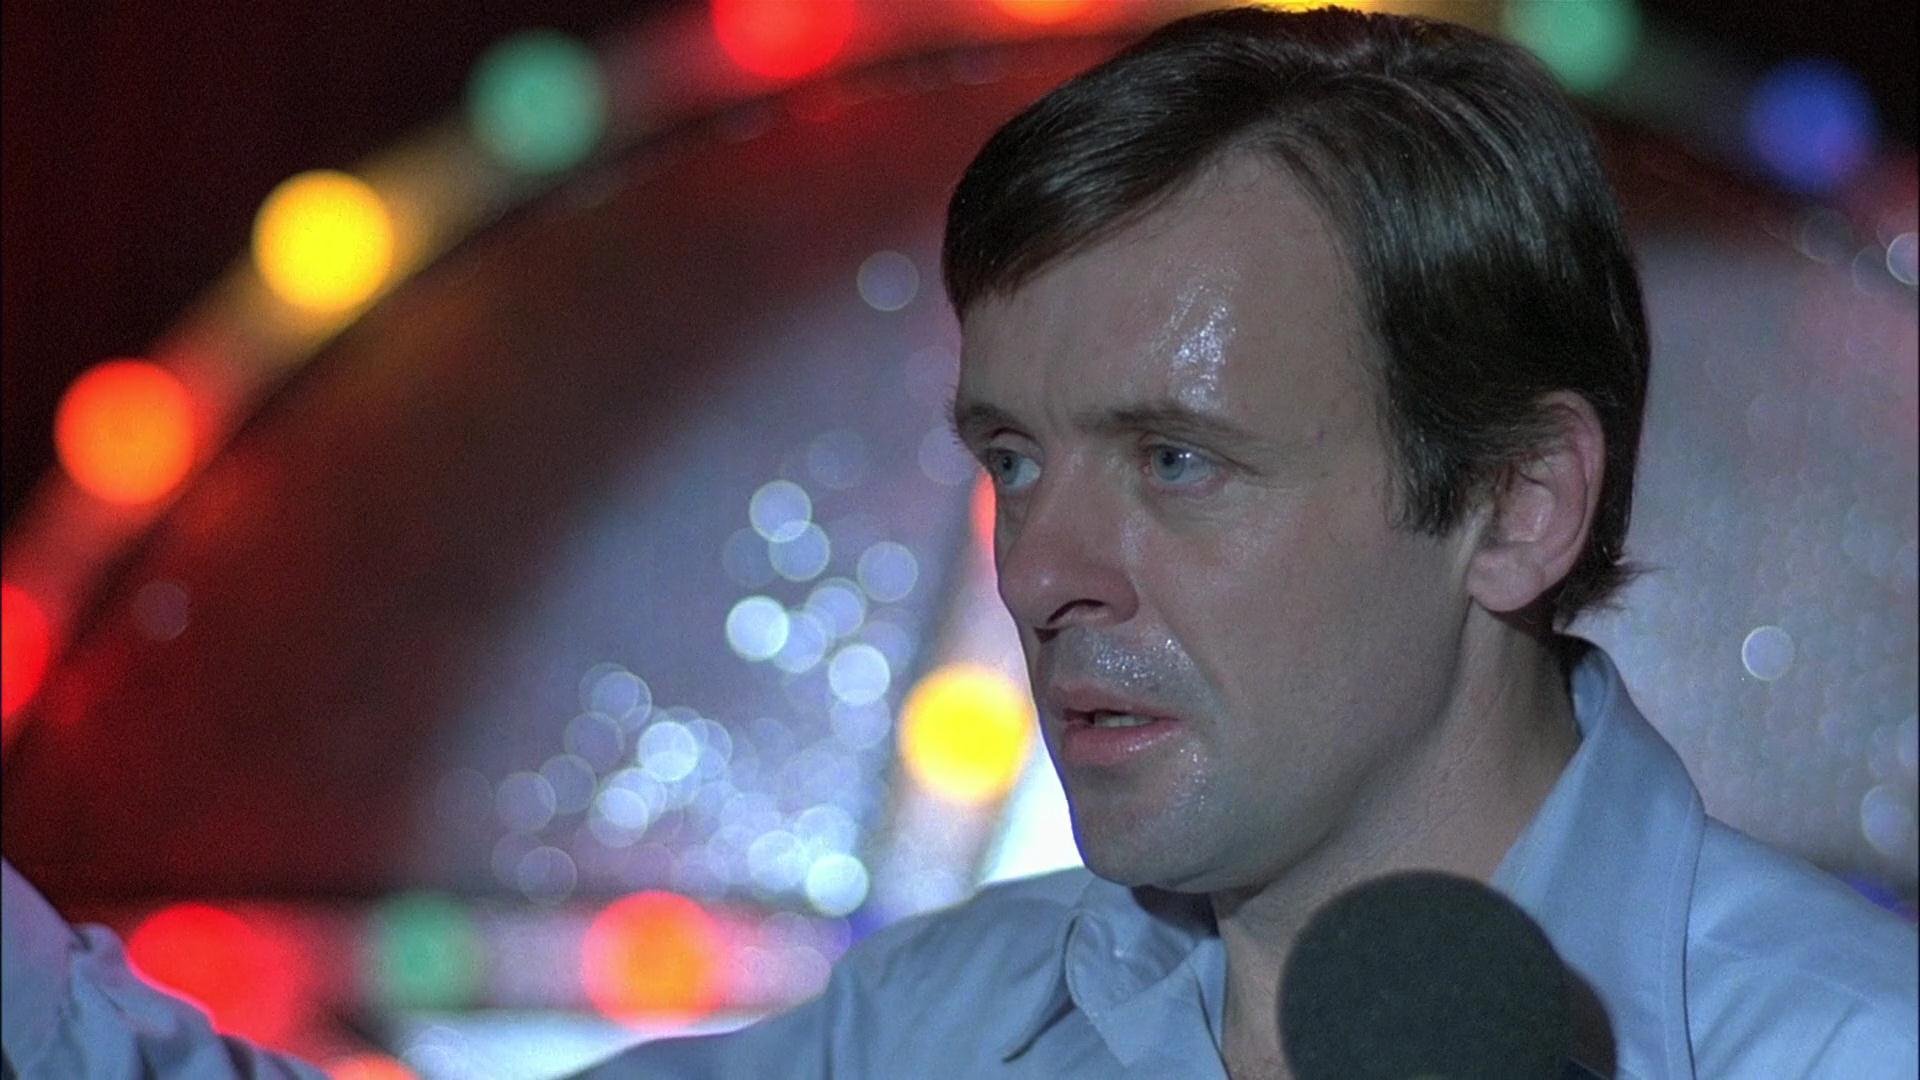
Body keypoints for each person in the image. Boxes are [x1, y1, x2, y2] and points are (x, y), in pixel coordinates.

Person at [4, 6, 1914, 1078]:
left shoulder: (1829, 1050)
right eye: (1014, 458)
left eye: (1177, 460)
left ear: (1516, 506)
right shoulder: (970, 1021)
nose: (1043, 569)